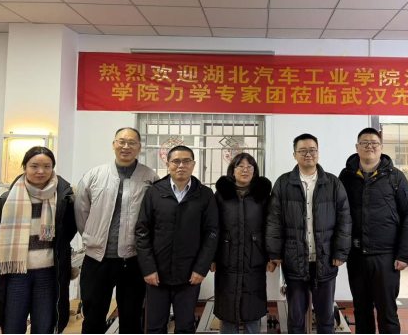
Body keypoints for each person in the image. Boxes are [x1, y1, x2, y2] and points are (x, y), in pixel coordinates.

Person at [75, 127, 159, 334]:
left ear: (139, 147)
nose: (126, 146)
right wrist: (93, 238)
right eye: (121, 141)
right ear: (113, 144)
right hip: (97, 258)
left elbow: (156, 216)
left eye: (132, 142)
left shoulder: (150, 177)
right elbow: (81, 211)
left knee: (131, 317)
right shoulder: (95, 175)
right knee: (93, 316)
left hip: (133, 259)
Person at [267, 134, 351, 334]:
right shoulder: (283, 183)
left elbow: (345, 219)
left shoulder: (333, 183)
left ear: (318, 153)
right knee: (296, 317)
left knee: (326, 317)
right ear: (294, 155)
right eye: (302, 150)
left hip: (325, 258)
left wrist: (340, 252)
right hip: (294, 259)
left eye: (312, 150)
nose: (308, 154)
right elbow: (274, 220)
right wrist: (274, 253)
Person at [339, 127, 408, 335]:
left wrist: (404, 254)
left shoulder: (396, 177)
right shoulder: (346, 176)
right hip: (356, 255)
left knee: (387, 312)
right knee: (361, 310)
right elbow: (339, 214)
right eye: (364, 142)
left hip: (386, 257)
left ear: (381, 147)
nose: (369, 146)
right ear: (357, 147)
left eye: (374, 143)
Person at [0, 147, 77, 334]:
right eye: (34, 166)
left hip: (48, 274)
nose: (41, 171)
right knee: (12, 326)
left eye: (47, 166)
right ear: (25, 167)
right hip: (16, 272)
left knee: (44, 327)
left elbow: (68, 232)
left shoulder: (64, 198)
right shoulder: (7, 200)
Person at [136, 145, 219, 334]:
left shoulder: (205, 194)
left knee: (185, 327)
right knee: (155, 326)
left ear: (193, 164)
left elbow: (212, 233)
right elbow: (142, 232)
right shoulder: (154, 192)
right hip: (157, 274)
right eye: (176, 161)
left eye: (186, 161)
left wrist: (201, 268)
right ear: (167, 164)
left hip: (190, 274)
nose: (181, 165)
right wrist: (148, 269)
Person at [211, 153, 274, 334]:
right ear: (233, 170)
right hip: (226, 257)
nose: (245, 170)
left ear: (255, 171)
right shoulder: (221, 195)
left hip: (255, 256)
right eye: (240, 166)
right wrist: (212, 258)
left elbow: (271, 227)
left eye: (249, 167)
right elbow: (213, 228)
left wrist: (271, 256)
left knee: (252, 309)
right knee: (227, 309)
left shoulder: (263, 196)